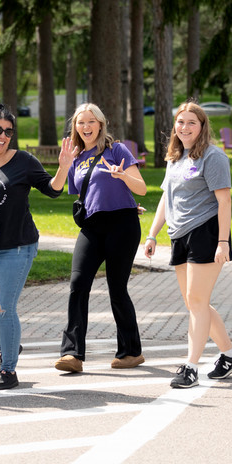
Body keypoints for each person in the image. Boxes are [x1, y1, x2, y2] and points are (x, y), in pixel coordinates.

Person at [0, 104, 75, 390]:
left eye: (8, 131)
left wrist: (63, 168)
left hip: (18, 246)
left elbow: (52, 189)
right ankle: (9, 345)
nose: (3, 136)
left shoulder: (23, 161)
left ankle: (8, 369)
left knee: (2, 307)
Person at [143, 101, 232, 388]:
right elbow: (167, 197)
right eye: (180, 122)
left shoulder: (213, 157)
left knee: (197, 301)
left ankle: (190, 366)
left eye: (191, 122)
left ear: (202, 127)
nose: (185, 127)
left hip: (206, 232)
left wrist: (223, 242)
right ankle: (230, 354)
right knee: (194, 302)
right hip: (178, 234)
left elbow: (224, 201)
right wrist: (152, 234)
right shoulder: (176, 156)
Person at [54, 103, 147, 373]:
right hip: (92, 227)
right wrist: (65, 164)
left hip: (123, 224)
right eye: (80, 122)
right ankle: (72, 354)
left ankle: (131, 352)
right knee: (78, 283)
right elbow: (66, 190)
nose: (85, 127)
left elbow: (140, 188)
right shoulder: (77, 157)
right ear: (75, 127)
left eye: (90, 121)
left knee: (117, 288)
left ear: (101, 124)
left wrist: (122, 176)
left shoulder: (116, 150)